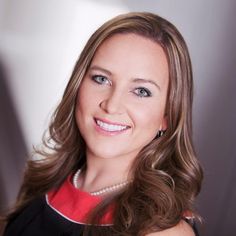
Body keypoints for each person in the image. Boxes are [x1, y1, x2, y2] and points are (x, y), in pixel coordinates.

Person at [2, 12, 203, 236]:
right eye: (101, 79)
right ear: (78, 84)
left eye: (141, 91)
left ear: (167, 115)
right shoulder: (46, 180)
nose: (112, 105)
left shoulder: (163, 231)